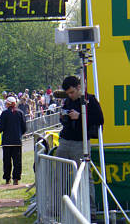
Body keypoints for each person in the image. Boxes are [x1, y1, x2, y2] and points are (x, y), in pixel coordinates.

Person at [57, 76, 104, 218]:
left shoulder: (90, 100)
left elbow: (100, 120)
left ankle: (91, 212)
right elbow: (65, 115)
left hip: (80, 143)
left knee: (84, 177)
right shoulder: (68, 100)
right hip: (65, 141)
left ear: (79, 87)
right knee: (59, 176)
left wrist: (81, 116)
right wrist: (63, 116)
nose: (70, 95)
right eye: (68, 93)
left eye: (71, 92)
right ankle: (60, 209)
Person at [0, 97, 27, 185]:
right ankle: (16, 178)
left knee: (7, 161)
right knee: (17, 161)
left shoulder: (4, 113)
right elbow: (24, 128)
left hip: (7, 141)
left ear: (9, 104)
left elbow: (1, 127)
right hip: (17, 141)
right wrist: (19, 134)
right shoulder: (20, 113)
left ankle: (7, 178)